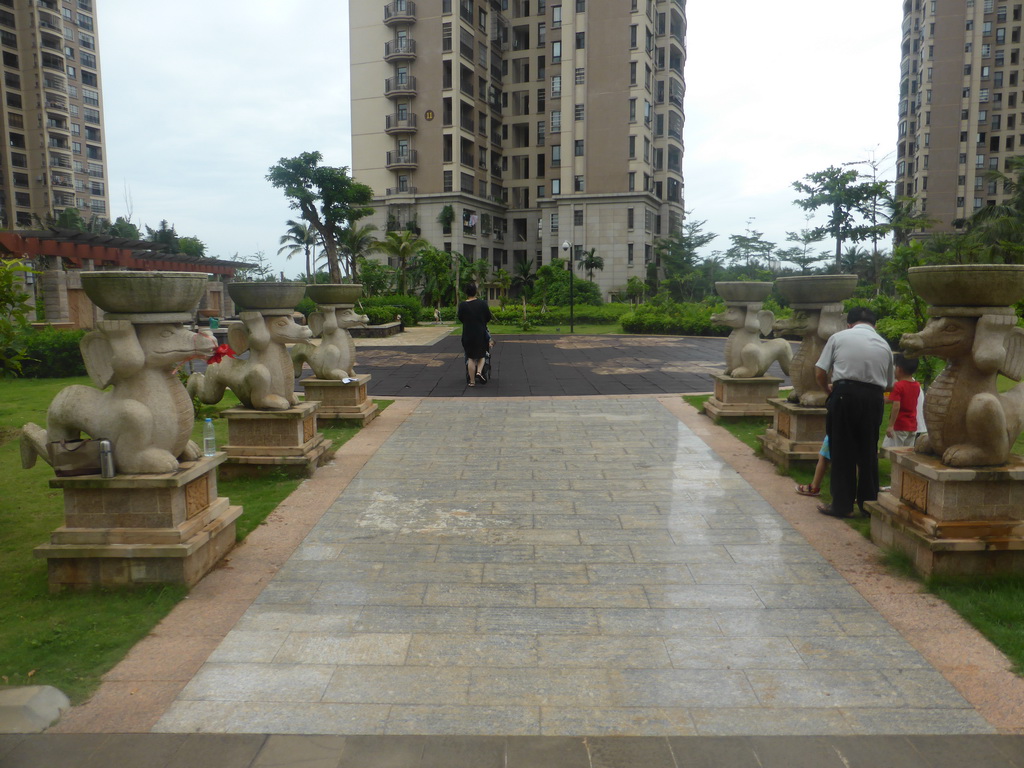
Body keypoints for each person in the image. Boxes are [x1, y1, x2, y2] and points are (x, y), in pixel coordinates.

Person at [814, 307, 895, 518]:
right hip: (873, 399)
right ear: (874, 325)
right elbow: (889, 385)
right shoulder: (884, 345)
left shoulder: (839, 337)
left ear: (849, 324)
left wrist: (827, 390)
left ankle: (841, 505)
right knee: (868, 452)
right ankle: (869, 504)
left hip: (845, 396)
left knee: (841, 450)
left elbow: (820, 371)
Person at [458, 282, 492, 387]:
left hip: (467, 334)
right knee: (482, 354)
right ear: (476, 292)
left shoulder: (462, 305)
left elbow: (461, 318)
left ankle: (472, 381)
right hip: (480, 334)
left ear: (466, 292)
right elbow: (488, 317)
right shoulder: (482, 304)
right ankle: (479, 371)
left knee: (470, 358)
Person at [885, 354, 921, 447]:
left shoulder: (898, 385)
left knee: (894, 453)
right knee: (906, 454)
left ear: (899, 369)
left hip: (899, 425)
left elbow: (897, 405)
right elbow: (904, 399)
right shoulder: (916, 385)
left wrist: (890, 425)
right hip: (912, 426)